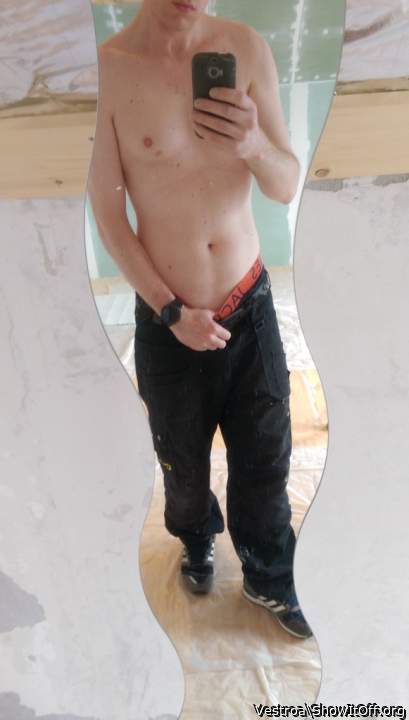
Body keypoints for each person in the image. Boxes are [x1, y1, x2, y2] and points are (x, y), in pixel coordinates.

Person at [88, 0, 312, 640]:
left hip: (250, 303)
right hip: (168, 322)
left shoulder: (246, 48)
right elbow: (110, 217)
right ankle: (196, 538)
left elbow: (285, 184)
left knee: (266, 457)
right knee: (181, 466)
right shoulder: (109, 71)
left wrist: (253, 144)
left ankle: (270, 575)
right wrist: (169, 311)